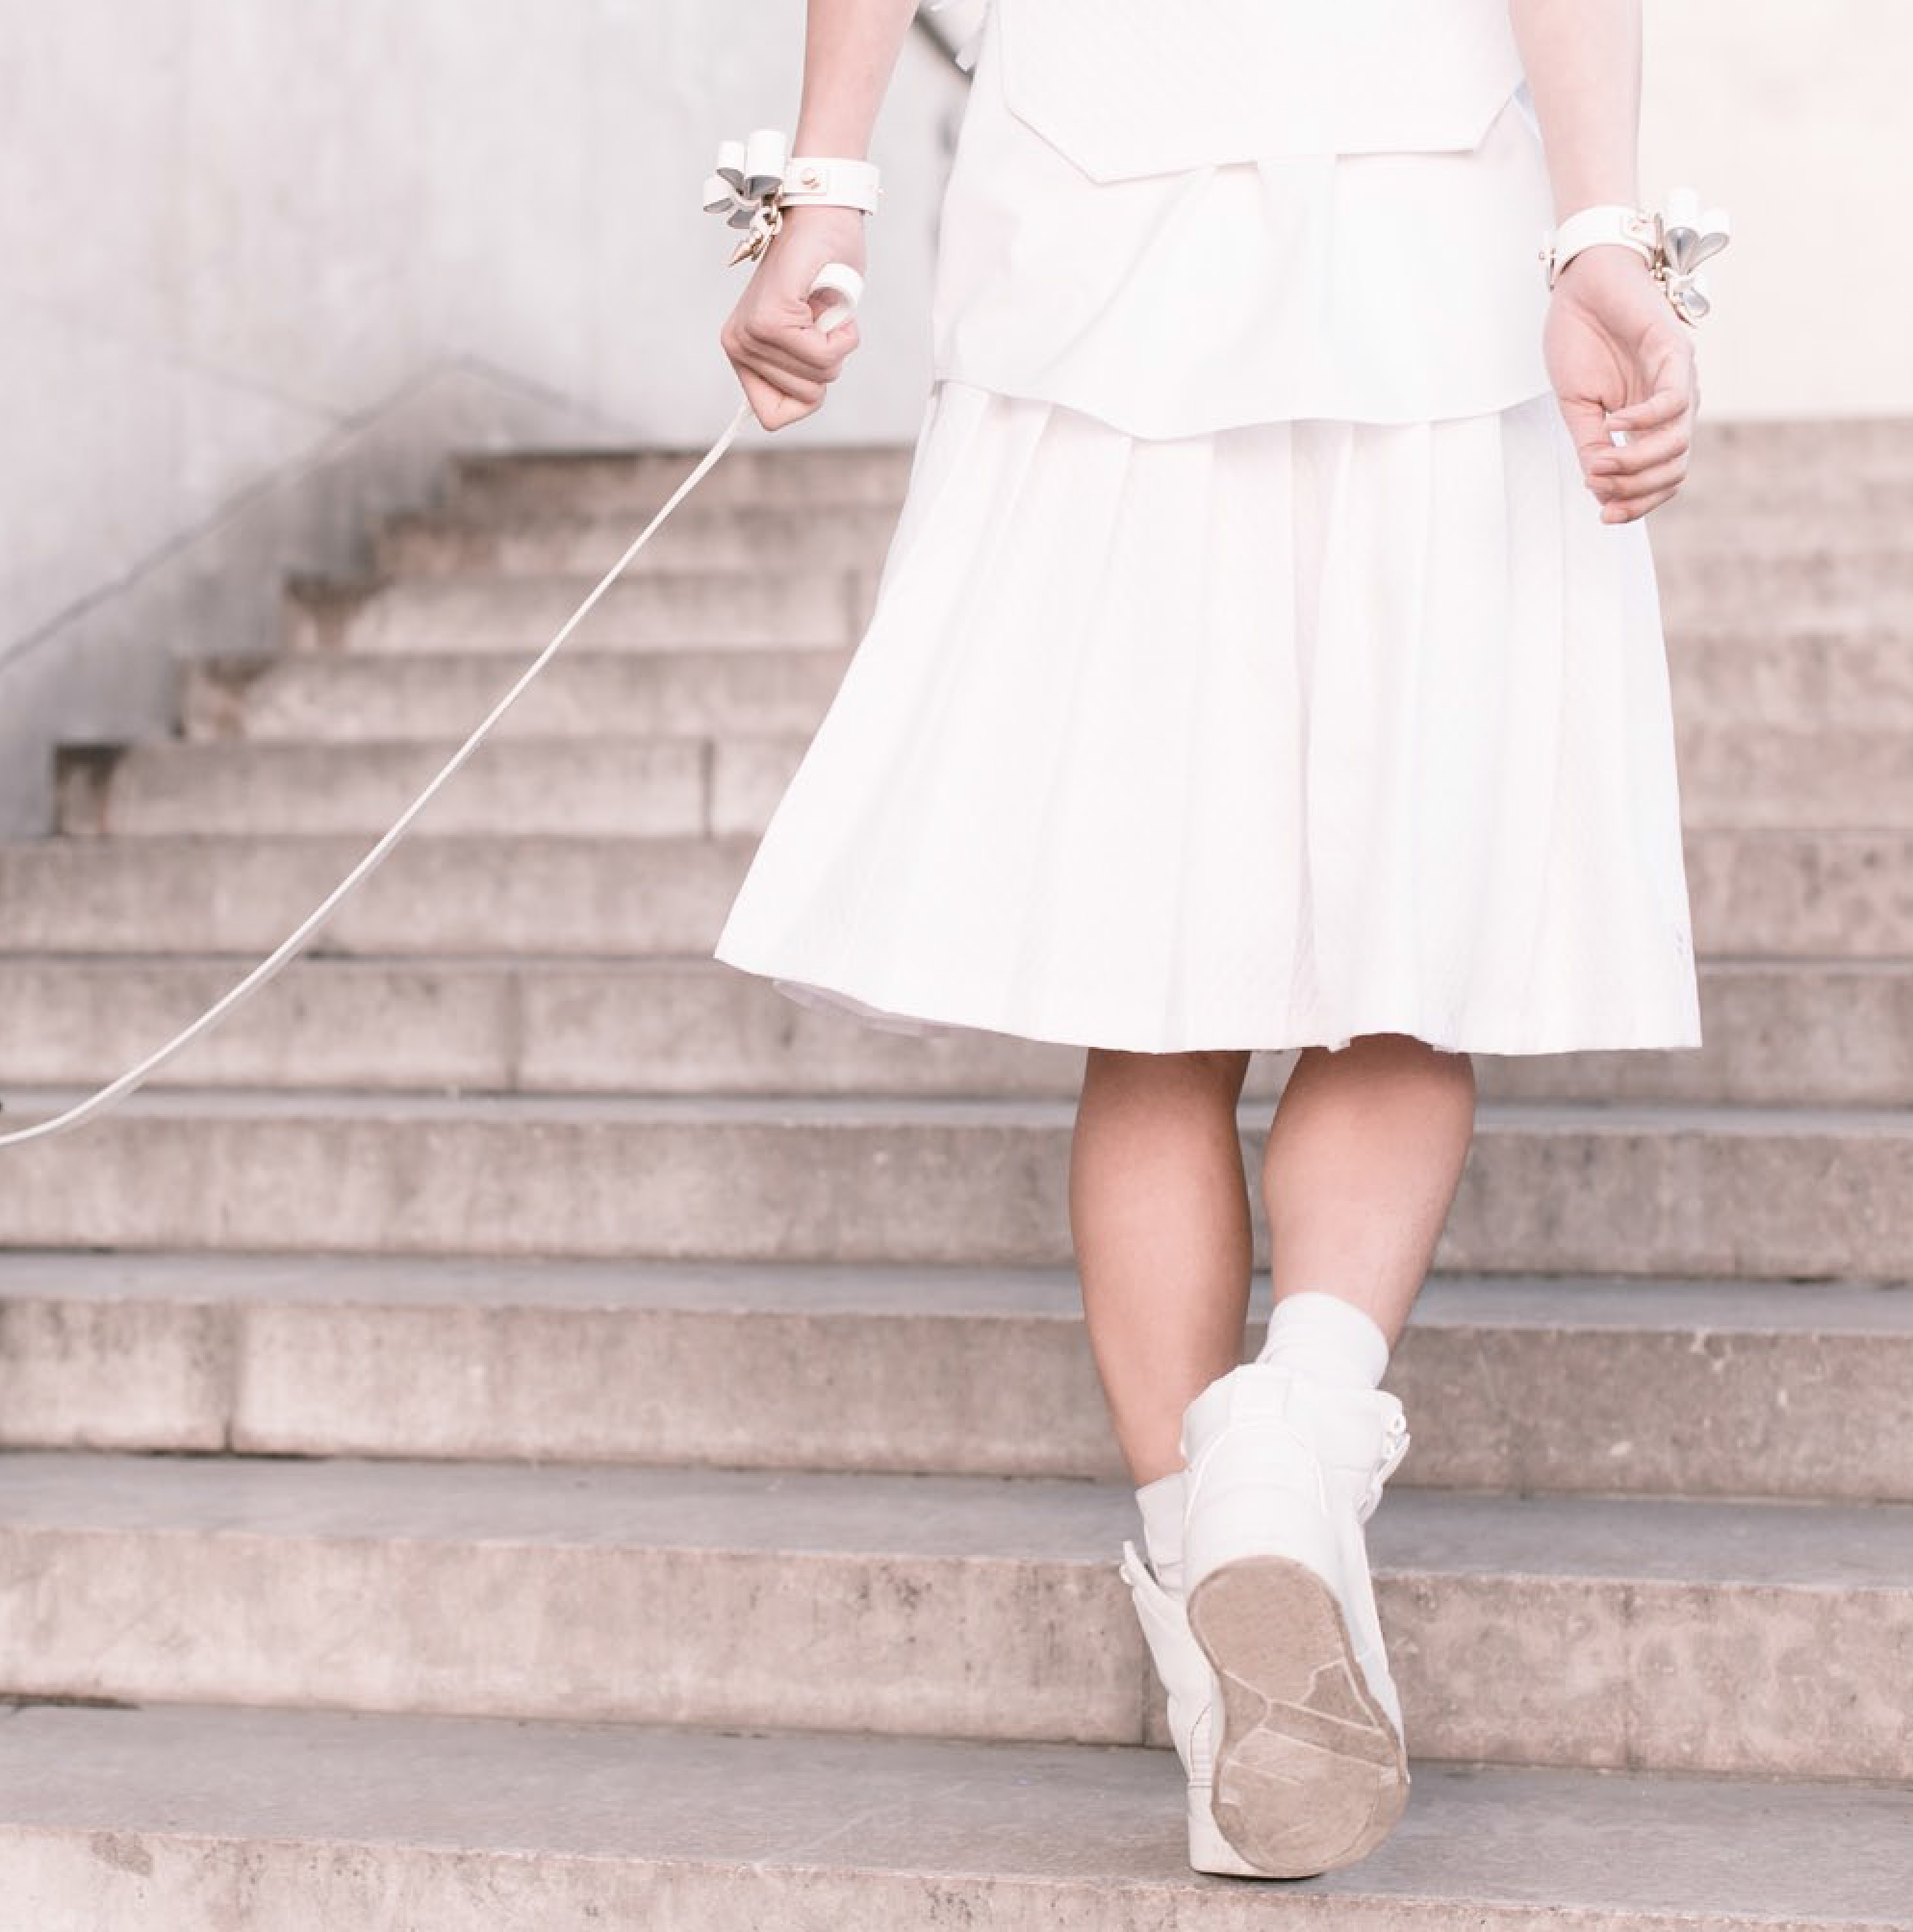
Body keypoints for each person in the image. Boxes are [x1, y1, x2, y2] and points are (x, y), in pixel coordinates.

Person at [708, 0, 1706, 1882]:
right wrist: (1601, 232)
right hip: (1424, 220)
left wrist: (820, 190)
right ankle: (1295, 1437)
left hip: (1101, 223)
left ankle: (1205, 1614)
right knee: (1404, 964)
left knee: (1150, 1001)